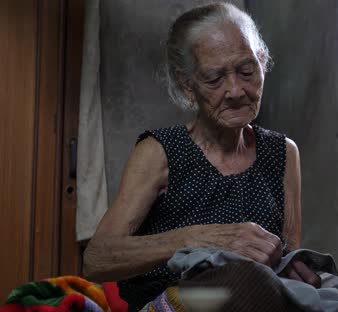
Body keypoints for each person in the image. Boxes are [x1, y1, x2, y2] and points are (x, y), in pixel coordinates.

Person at [83, 3, 319, 310]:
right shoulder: (161, 151)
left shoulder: (283, 153)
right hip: (175, 299)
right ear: (188, 85)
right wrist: (200, 239)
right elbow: (97, 258)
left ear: (262, 62)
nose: (235, 91)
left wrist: (294, 267)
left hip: (257, 299)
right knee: (242, 283)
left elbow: (288, 253)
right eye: (214, 79)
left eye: (247, 71)